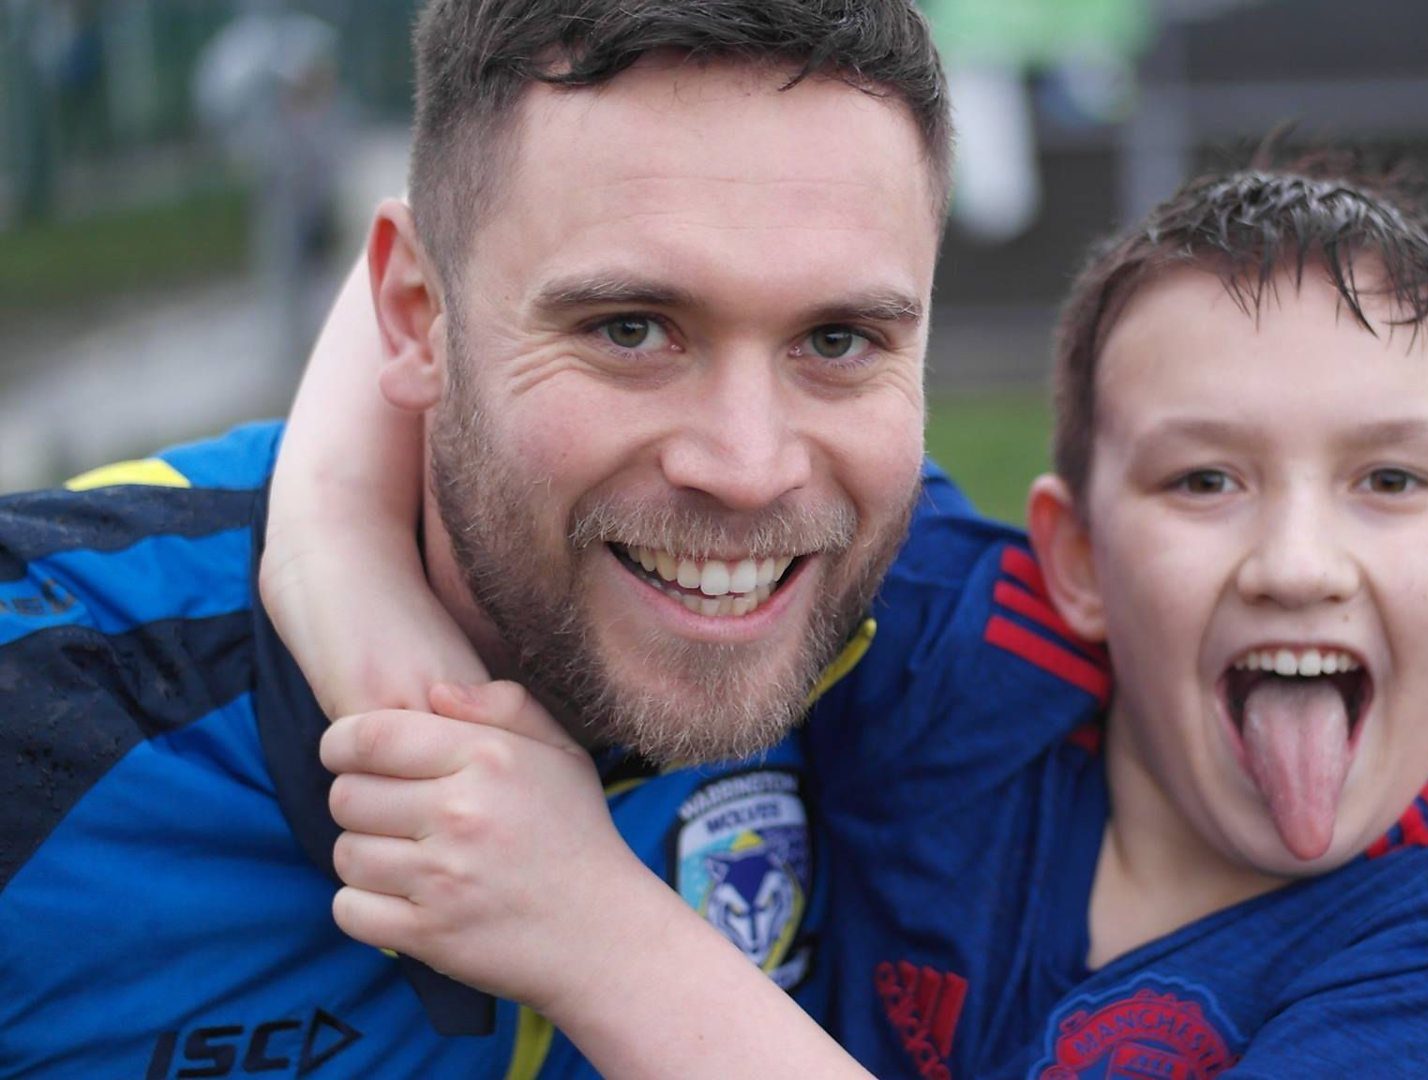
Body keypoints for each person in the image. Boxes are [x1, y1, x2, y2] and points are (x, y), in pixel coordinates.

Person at [270, 148, 1428, 1077]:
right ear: (1079, 555)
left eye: (1389, 480)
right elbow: (474, 219)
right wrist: (341, 560)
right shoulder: (959, 648)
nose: (1297, 561)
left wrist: (583, 919)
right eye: (1205, 477)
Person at [0, 1, 954, 1075]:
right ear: (414, 313)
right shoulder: (49, 695)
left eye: (838, 339)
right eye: (629, 329)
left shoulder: (937, 619)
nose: (748, 469)